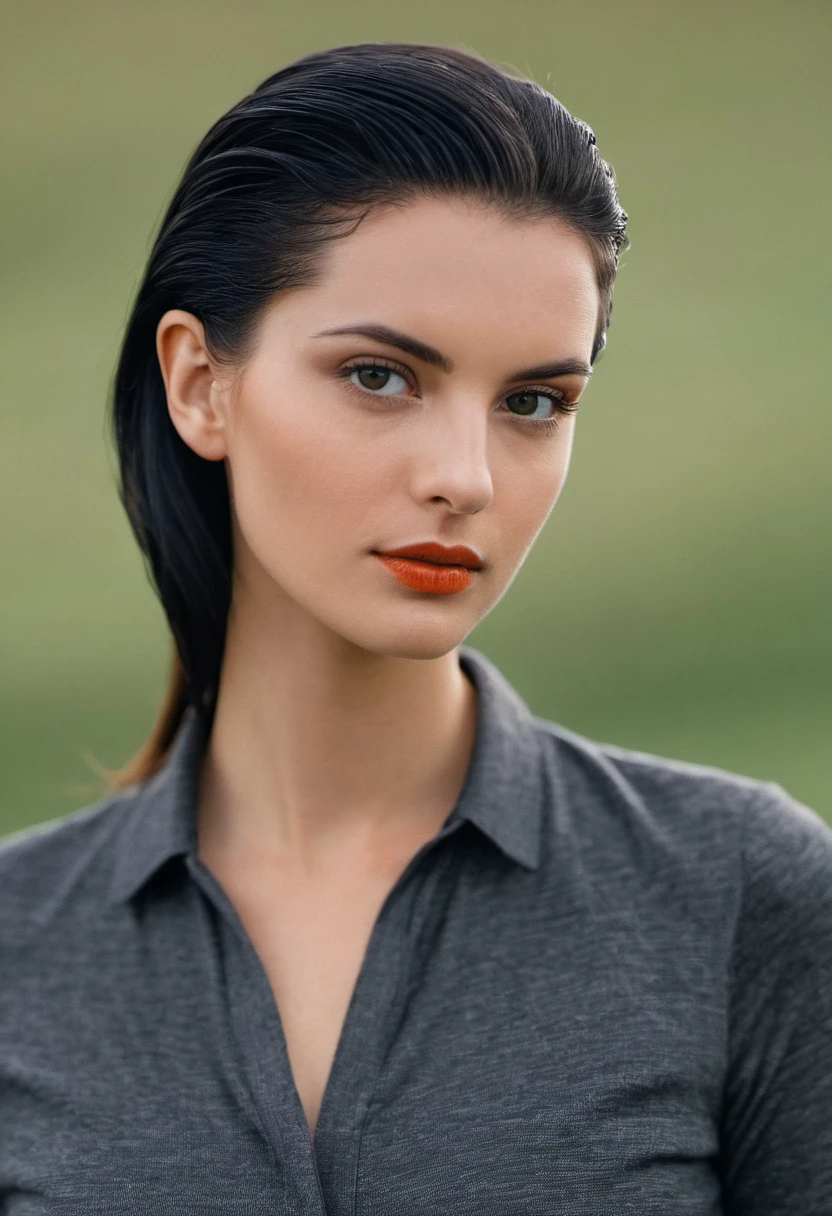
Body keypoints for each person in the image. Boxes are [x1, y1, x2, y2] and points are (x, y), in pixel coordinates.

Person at [0, 41, 829, 1215]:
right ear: (199, 384)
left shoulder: (744, 895)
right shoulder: (18, 953)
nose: (466, 477)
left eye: (533, 402)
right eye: (381, 376)